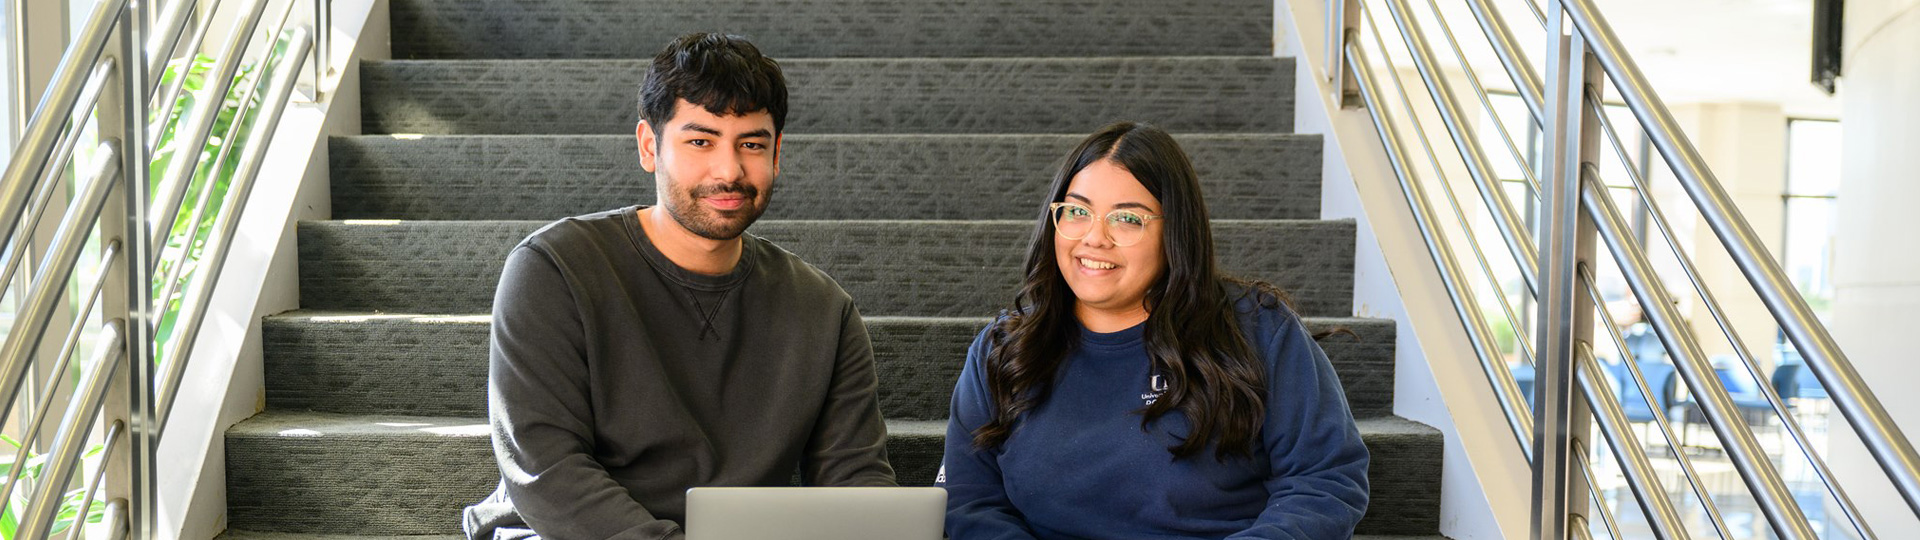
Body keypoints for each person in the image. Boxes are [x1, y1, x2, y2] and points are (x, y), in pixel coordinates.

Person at [463, 33, 895, 540]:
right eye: (700, 141)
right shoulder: (553, 268)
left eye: (751, 144)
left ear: (777, 154)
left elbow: (854, 480)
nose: (729, 170)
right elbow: (547, 469)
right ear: (650, 146)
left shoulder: (825, 310)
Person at [938, 122, 1370, 539]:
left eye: (1127, 219)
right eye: (1077, 211)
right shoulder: (1004, 349)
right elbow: (970, 500)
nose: (1094, 238)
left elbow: (1325, 480)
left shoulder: (1256, 329)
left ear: (1175, 232)